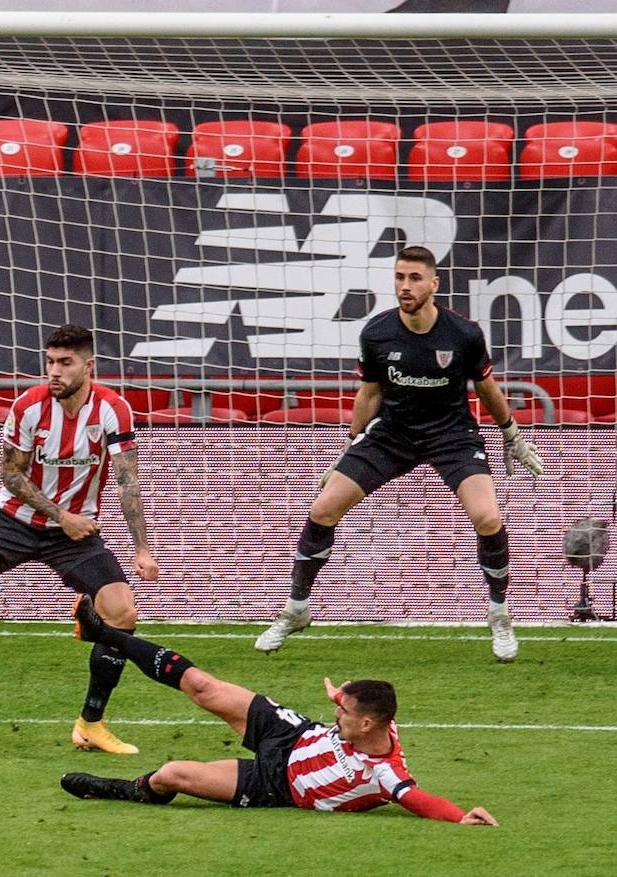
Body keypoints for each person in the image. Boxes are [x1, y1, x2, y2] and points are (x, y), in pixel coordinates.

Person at [256, 246, 543, 662]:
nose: (404, 287)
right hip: (392, 434)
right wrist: (348, 446)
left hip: (452, 434)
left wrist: (511, 432)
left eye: (413, 278)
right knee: (323, 509)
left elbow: (485, 388)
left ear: (433, 284)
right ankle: (296, 609)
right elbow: (369, 393)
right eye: (398, 278)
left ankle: (499, 613)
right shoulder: (376, 333)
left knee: (488, 516)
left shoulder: (463, 334)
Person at [0, 324, 160, 754]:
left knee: (123, 613)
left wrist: (141, 547)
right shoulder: (28, 406)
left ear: (88, 366)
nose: (54, 372)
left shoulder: (113, 411)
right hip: (14, 523)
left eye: (65, 363)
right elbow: (10, 472)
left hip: (74, 534)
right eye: (50, 362)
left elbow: (127, 480)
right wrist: (60, 514)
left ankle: (90, 724)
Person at [62, 596, 498, 825]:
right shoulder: (366, 720)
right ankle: (103, 632)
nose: (338, 715)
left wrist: (460, 815)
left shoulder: (385, 772)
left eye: (344, 713)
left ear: (367, 724)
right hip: (291, 734)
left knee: (172, 774)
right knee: (201, 685)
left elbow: (418, 800)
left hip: (277, 784)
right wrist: (338, 697)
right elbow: (354, 704)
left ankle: (118, 789)